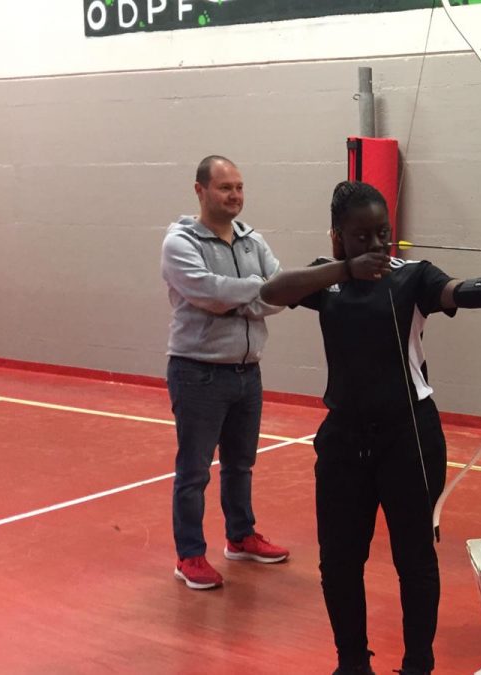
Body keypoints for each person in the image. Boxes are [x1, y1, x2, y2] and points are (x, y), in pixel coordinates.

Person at [259, 181, 481, 675]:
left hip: (408, 436)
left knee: (414, 559)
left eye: (383, 234)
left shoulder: (412, 276)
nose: (374, 245)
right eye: (360, 235)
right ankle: (351, 663)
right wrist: (344, 269)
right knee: (339, 561)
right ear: (338, 237)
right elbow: (270, 291)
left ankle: (418, 665)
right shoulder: (326, 280)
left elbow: (454, 292)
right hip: (344, 439)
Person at [160, 155, 290, 591]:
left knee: (241, 464)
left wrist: (247, 295)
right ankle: (190, 555)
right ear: (200, 190)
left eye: (239, 187)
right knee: (194, 471)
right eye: (224, 188)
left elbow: (280, 291)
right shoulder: (180, 243)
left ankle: (240, 536)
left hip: (246, 374)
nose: (235, 196)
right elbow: (210, 293)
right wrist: (257, 293)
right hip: (198, 374)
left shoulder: (253, 241)